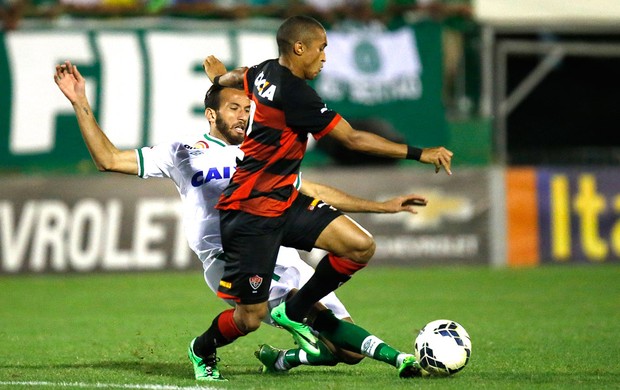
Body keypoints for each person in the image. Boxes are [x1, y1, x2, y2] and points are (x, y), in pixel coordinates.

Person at [53, 59, 430, 381]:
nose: (244, 115)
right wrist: (80, 102)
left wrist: (382, 206)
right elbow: (108, 159)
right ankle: (202, 349)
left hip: (274, 245)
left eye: (248, 109)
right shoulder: (182, 152)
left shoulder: (258, 155)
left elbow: (312, 189)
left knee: (346, 353)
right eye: (234, 108)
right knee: (266, 318)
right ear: (211, 114)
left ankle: (283, 359)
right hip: (225, 254)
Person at [198, 14, 453, 380]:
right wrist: (419, 152)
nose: (324, 57)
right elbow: (353, 139)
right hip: (249, 211)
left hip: (283, 201)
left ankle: (295, 308)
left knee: (359, 246)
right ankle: (201, 348)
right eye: (321, 48)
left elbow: (241, 74)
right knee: (249, 318)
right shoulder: (296, 93)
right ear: (299, 48)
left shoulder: (265, 71)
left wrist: (219, 79)